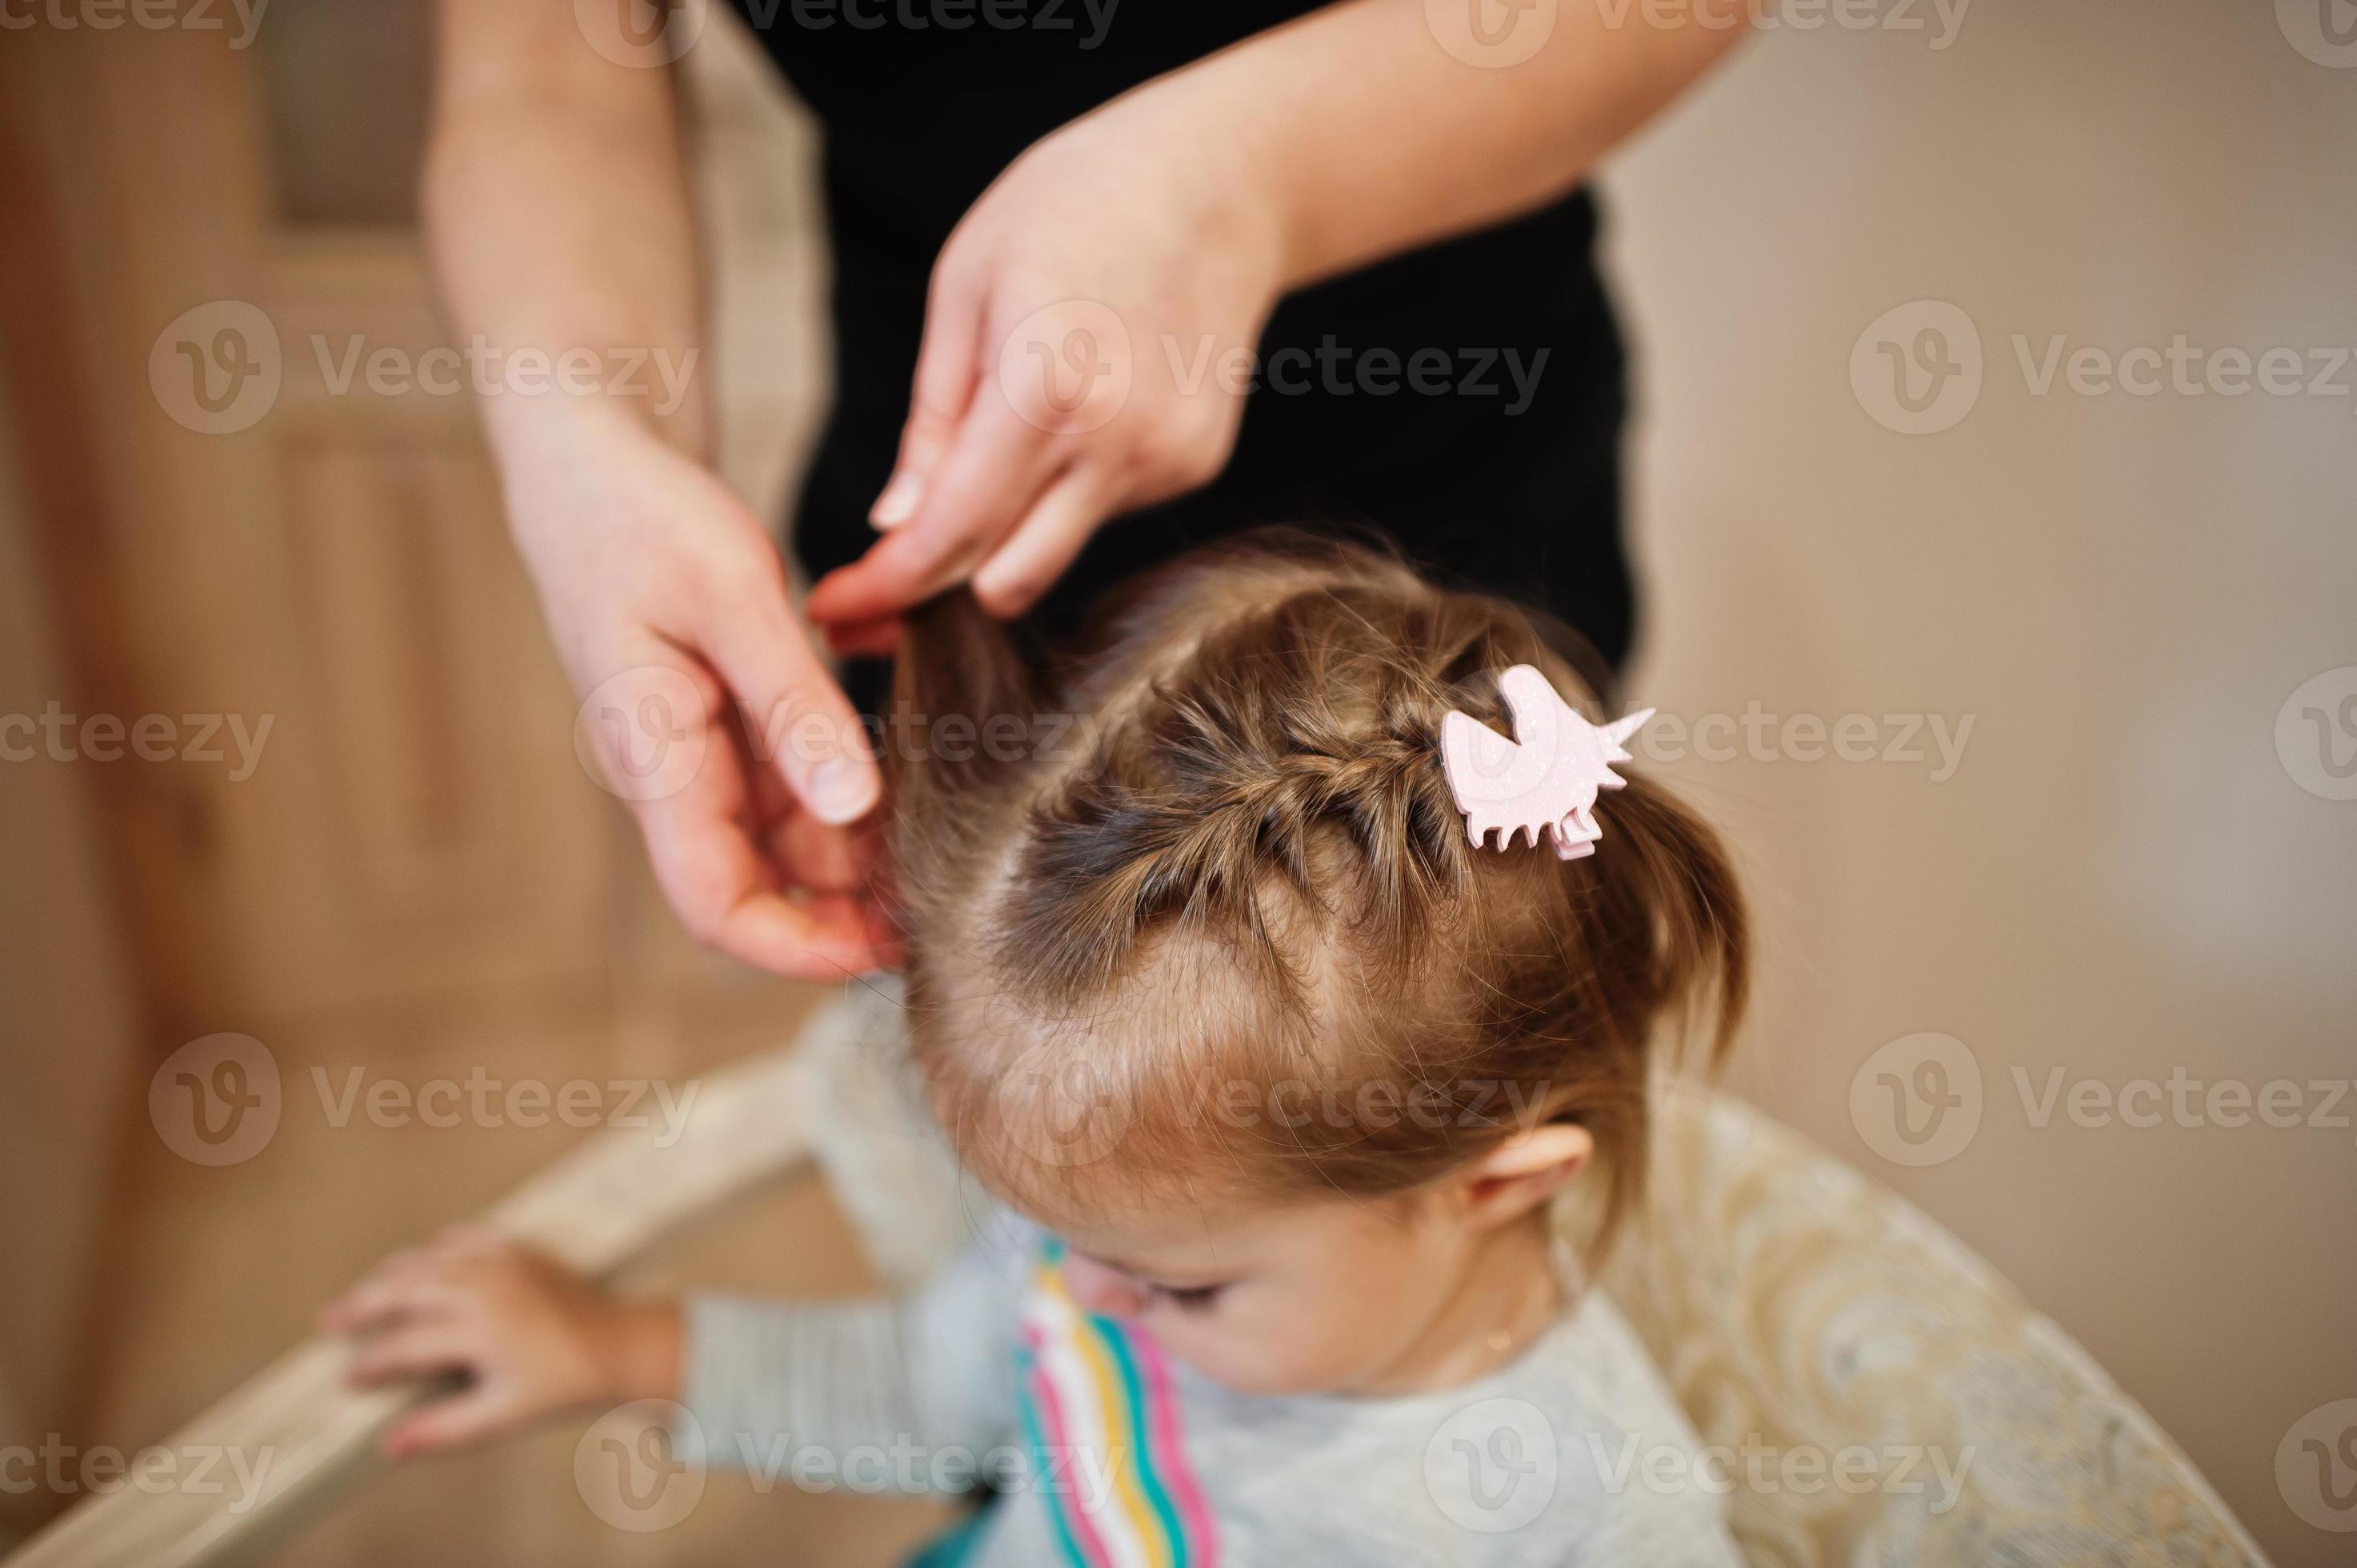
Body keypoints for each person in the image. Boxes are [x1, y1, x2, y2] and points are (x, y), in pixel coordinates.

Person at [323, 534, 1751, 1562]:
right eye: (1054, 1238)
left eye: (1180, 1288)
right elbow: (947, 1401)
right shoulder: (1125, 1241)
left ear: (1489, 1187)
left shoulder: (1586, 1516)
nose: (1082, 1299)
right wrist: (609, 1348)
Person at [426, 0, 1746, 981]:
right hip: (957, 559)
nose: (1105, 1291)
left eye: (1184, 1287)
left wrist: (1241, 178)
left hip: (1442, 475)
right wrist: (580, 436)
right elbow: (541, 62)